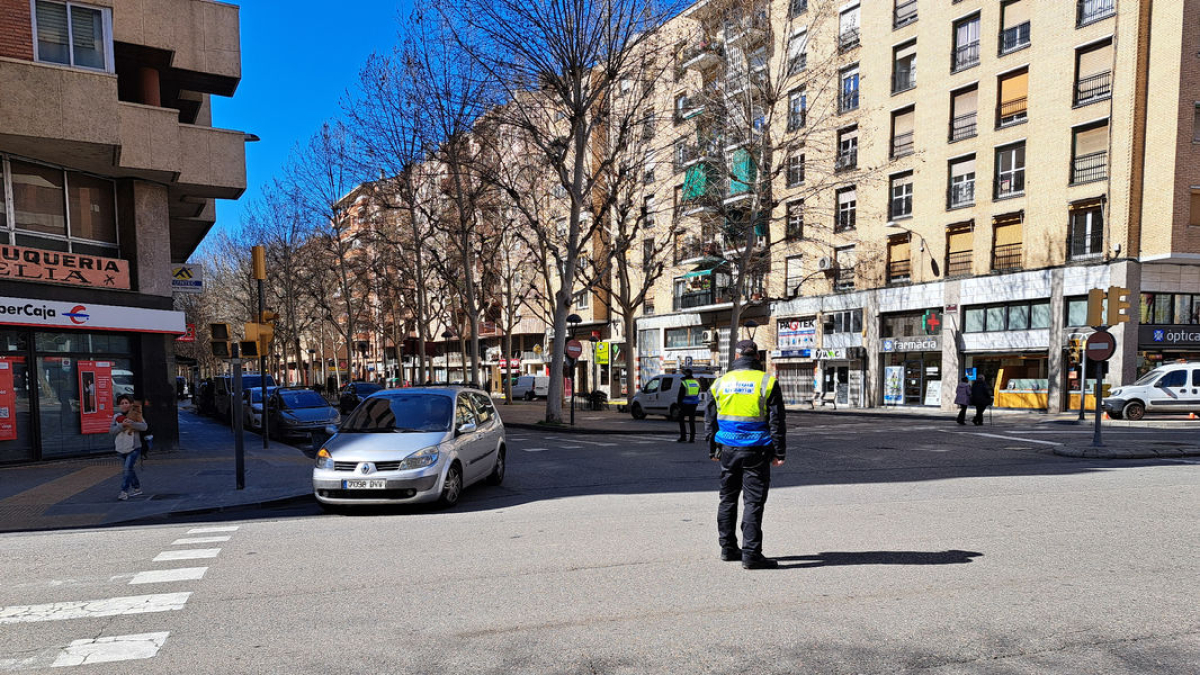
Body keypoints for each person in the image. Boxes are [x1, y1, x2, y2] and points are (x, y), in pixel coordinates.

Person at [704, 340, 786, 570]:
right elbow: (777, 421)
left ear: (736, 356)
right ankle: (751, 554)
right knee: (753, 502)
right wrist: (779, 452)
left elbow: (709, 420)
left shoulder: (720, 383)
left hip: (728, 450)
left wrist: (712, 449)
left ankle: (728, 548)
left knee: (727, 499)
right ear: (757, 357)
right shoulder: (767, 382)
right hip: (757, 450)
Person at [111, 395, 147, 501]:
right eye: (122, 403)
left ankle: (124, 491)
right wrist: (122, 425)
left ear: (131, 404)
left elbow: (144, 427)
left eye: (126, 403)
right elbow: (111, 431)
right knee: (129, 469)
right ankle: (137, 488)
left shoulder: (136, 414)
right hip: (120, 447)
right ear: (119, 405)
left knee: (127, 469)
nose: (124, 405)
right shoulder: (116, 416)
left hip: (134, 447)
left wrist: (132, 424)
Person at [675, 368, 700, 443]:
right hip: (694, 404)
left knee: (681, 419)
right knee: (692, 421)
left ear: (687, 373)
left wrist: (679, 405)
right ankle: (692, 438)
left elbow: (680, 395)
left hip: (685, 404)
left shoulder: (684, 382)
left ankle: (683, 437)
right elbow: (697, 392)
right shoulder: (696, 382)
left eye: (685, 373)